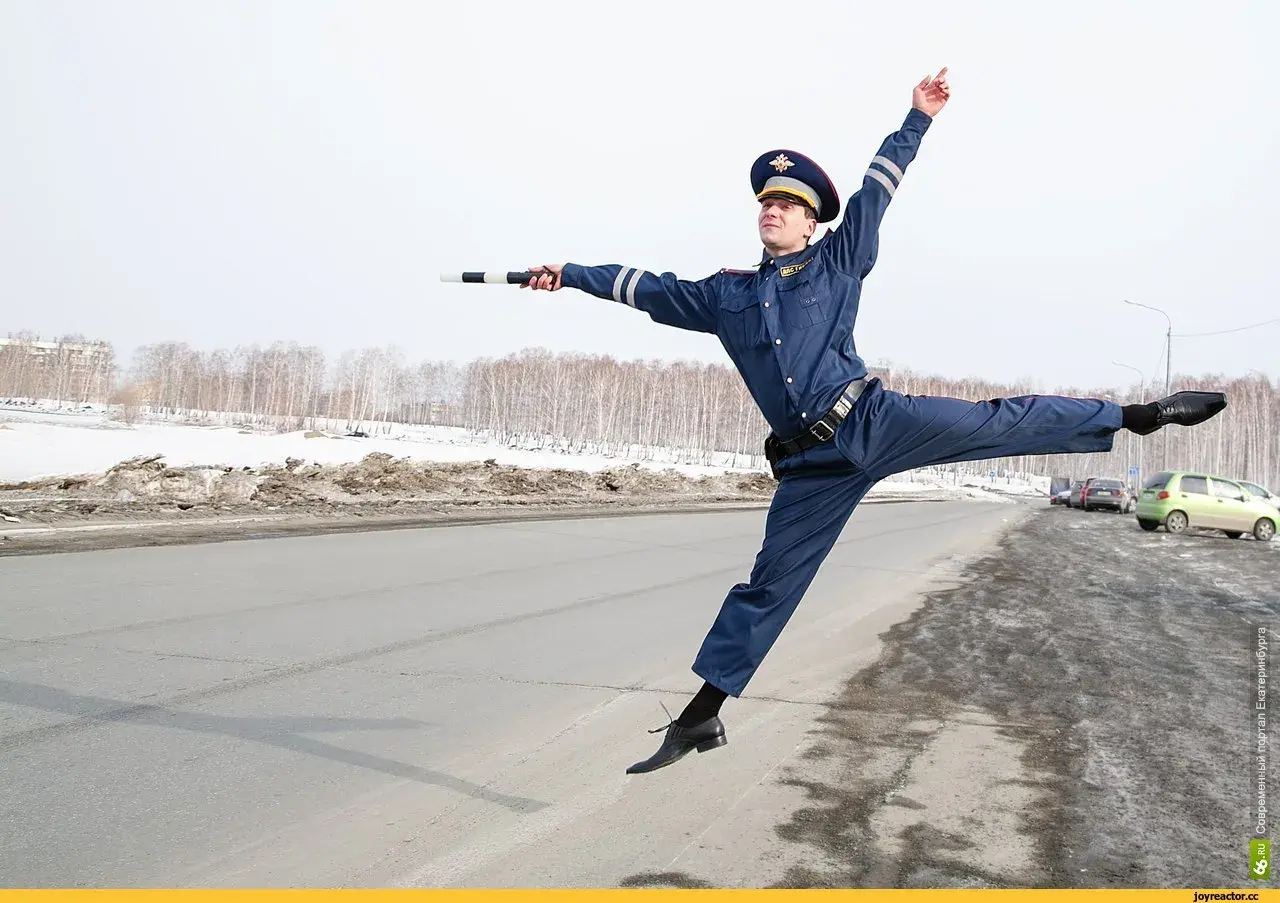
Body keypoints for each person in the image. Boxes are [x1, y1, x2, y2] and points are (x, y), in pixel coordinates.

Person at [520, 68, 1227, 774]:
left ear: (812, 222)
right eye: (767, 202)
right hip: (810, 468)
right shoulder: (723, 296)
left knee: (995, 421)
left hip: (872, 421)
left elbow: (877, 188)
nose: (773, 210)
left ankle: (1137, 416)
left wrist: (918, 118)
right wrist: (570, 273)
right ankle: (702, 714)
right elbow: (643, 287)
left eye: (788, 204)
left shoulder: (839, 259)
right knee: (770, 584)